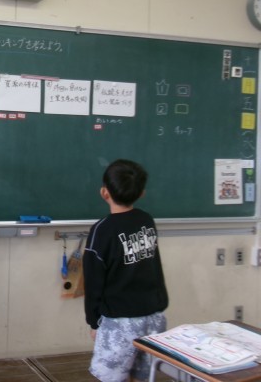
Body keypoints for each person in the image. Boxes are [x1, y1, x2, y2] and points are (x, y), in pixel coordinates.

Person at [83, 159, 169, 382]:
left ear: (104, 192)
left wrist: (93, 322)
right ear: (141, 193)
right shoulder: (146, 221)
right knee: (143, 376)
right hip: (154, 316)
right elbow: (154, 266)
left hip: (120, 323)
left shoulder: (102, 231)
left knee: (112, 378)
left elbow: (93, 282)